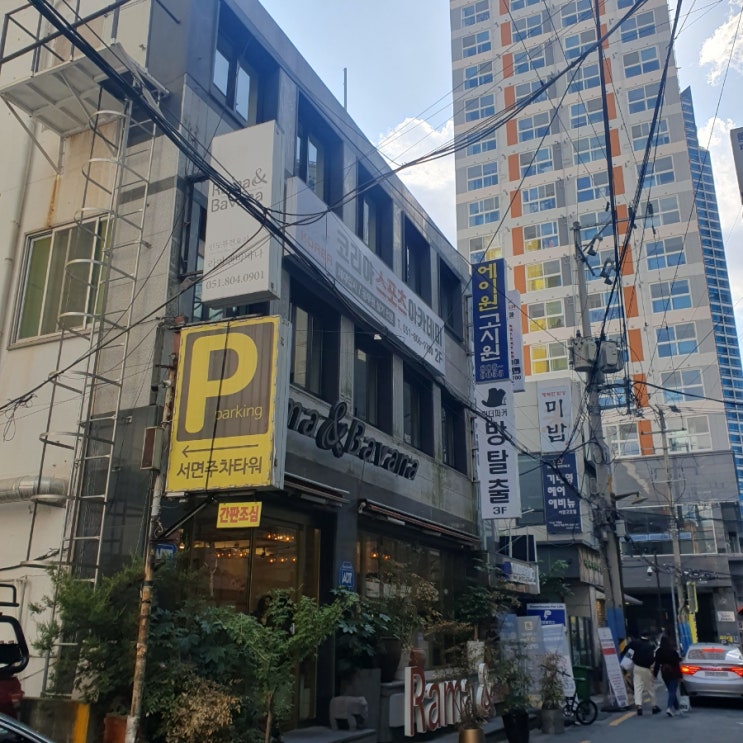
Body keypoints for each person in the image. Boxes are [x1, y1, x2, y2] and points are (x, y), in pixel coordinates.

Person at [624, 634, 660, 715]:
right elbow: (653, 659)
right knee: (650, 688)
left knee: (637, 687)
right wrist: (654, 671)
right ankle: (654, 706)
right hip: (646, 668)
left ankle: (639, 706)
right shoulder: (651, 645)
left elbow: (627, 648)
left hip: (637, 667)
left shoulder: (635, 643)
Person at [653, 635, 684, 716]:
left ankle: (677, 709)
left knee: (671, 691)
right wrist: (680, 676)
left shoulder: (659, 651)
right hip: (674, 672)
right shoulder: (673, 651)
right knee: (672, 691)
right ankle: (669, 708)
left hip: (665, 673)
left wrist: (654, 674)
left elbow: (657, 664)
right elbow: (677, 664)